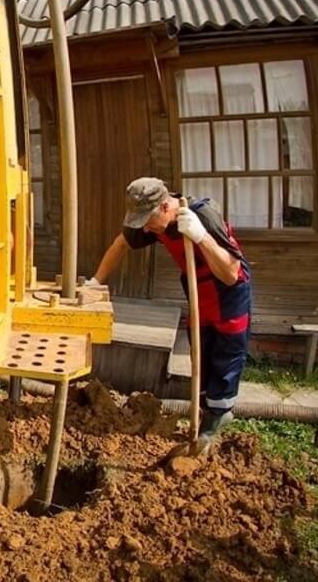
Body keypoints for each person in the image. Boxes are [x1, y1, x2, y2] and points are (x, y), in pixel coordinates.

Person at [87, 177, 252, 450]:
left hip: (229, 296)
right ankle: (203, 414)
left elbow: (231, 273)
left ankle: (217, 420)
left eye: (148, 221)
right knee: (202, 355)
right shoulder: (155, 223)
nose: (147, 229)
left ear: (165, 207)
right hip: (199, 292)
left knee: (226, 358)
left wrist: (201, 237)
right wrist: (96, 281)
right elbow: (121, 244)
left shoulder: (203, 217)